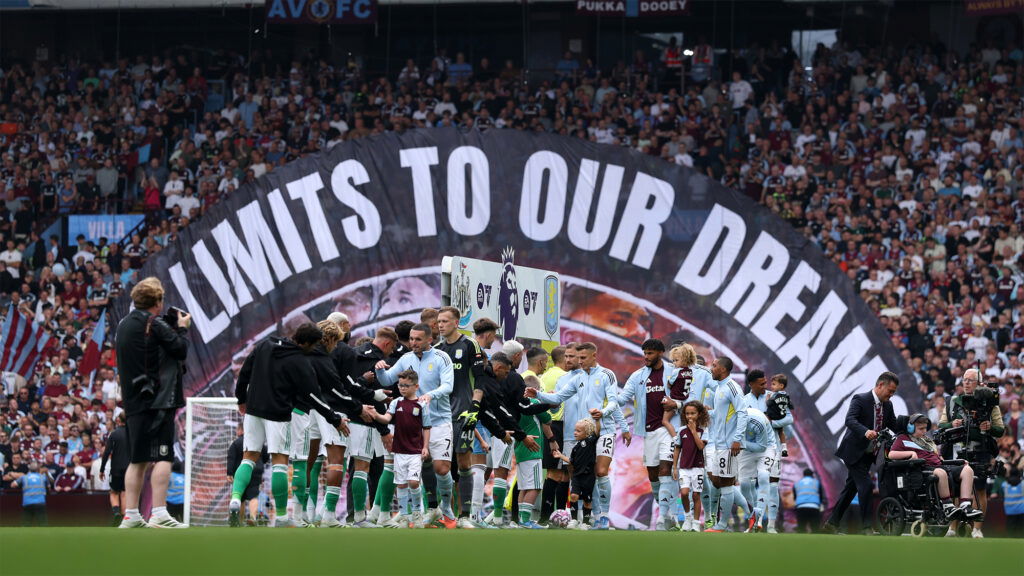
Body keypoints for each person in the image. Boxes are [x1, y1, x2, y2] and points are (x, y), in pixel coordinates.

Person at [230, 323, 347, 528]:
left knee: (248, 458)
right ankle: (284, 517)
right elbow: (313, 396)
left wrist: (241, 398)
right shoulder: (299, 361)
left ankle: (235, 498)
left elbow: (245, 372)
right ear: (309, 343)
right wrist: (334, 418)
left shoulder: (266, 344)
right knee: (281, 463)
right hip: (279, 414)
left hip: (253, 410)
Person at [114, 277, 191, 529]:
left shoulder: (123, 325)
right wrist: (181, 328)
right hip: (158, 400)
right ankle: (159, 512)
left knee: (138, 459)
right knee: (164, 456)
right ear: (157, 301)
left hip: (134, 400)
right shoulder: (154, 323)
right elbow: (180, 349)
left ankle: (131, 515)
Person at [527, 342, 627, 530]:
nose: (579, 362)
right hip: (583, 436)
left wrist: (603, 412)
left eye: (583, 358)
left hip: (604, 429)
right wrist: (538, 394)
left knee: (601, 472)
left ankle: (603, 516)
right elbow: (558, 398)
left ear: (594, 356)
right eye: (577, 358)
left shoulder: (606, 374)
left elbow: (614, 402)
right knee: (584, 475)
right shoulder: (576, 377)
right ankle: (586, 517)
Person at [375, 323, 456, 528]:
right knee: (411, 473)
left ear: (429, 339)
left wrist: (431, 394)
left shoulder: (441, 358)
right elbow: (386, 380)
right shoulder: (406, 359)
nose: (413, 343)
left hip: (440, 421)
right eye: (411, 339)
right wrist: (379, 370)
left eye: (418, 339)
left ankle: (445, 507)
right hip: (413, 426)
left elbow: (448, 385)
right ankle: (414, 513)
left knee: (441, 468)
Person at [823, 371, 899, 535]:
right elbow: (850, 419)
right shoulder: (860, 398)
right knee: (866, 486)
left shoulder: (888, 405)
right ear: (880, 385)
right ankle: (866, 527)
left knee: (850, 489)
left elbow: (894, 424)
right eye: (890, 391)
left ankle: (831, 523)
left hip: (868, 454)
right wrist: (865, 431)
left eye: (894, 392)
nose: (891, 395)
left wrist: (912, 429)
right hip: (852, 452)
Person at [306, 320, 365, 527]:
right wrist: (360, 408)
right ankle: (329, 515)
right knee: (336, 459)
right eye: (336, 341)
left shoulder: (304, 355)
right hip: (331, 409)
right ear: (330, 339)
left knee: (308, 459)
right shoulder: (325, 359)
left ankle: (304, 513)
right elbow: (337, 389)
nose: (336, 347)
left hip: (306, 409)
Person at [617, 338, 679, 530]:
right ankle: (667, 513)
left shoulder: (674, 373)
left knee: (664, 470)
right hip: (648, 430)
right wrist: (608, 403)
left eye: (650, 353)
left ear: (661, 353)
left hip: (669, 429)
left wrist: (676, 405)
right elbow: (623, 397)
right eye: (644, 353)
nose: (646, 357)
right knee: (653, 475)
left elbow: (686, 397)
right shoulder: (638, 376)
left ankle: (661, 518)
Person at [938, 368, 1006, 538]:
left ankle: (977, 529)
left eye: (970, 380)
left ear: (979, 383)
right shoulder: (952, 401)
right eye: (964, 380)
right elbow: (941, 425)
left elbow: (1000, 430)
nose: (967, 383)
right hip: (956, 450)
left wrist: (990, 427)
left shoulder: (991, 404)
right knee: (954, 488)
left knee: (980, 490)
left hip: (980, 449)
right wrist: (952, 424)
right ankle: (952, 528)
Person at [435, 305, 486, 528]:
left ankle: (466, 515)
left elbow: (480, 379)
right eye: (438, 322)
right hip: (440, 415)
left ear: (456, 323)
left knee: (464, 461)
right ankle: (444, 513)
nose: (440, 325)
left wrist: (475, 406)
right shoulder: (436, 349)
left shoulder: (469, 344)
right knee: (438, 464)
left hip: (463, 413)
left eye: (445, 321)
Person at [889, 413, 982, 522]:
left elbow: (939, 458)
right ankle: (947, 506)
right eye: (921, 429)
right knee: (940, 472)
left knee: (967, 470)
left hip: (940, 466)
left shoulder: (927, 440)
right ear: (911, 428)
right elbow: (891, 454)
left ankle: (965, 506)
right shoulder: (902, 439)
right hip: (923, 470)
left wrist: (958, 462)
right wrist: (910, 454)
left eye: (925, 428)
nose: (924, 431)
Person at [367, 369, 430, 528]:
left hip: (415, 451)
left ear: (416, 386)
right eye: (400, 385)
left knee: (413, 482)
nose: (402, 388)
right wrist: (375, 414)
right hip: (399, 451)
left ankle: (417, 513)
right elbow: (386, 419)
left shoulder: (422, 404)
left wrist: (425, 447)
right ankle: (404, 515)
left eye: (406, 385)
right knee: (401, 485)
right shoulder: (396, 403)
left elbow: (427, 427)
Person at [705, 356, 747, 533]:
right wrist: (710, 413)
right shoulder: (720, 388)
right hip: (719, 443)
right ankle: (749, 512)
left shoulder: (732, 387)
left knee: (726, 483)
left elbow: (742, 413)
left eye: (714, 366)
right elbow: (723, 415)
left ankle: (722, 525)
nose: (711, 368)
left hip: (730, 444)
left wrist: (737, 439)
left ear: (723, 369)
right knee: (715, 480)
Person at [513, 374, 554, 529]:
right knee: (535, 486)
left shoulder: (516, 404)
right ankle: (526, 520)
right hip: (534, 449)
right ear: (534, 390)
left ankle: (521, 520)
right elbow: (548, 420)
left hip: (520, 449)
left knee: (524, 487)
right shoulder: (534, 402)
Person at [539, 344, 573, 521]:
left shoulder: (545, 375)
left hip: (547, 426)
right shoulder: (566, 377)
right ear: (564, 359)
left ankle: (554, 515)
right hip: (558, 426)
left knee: (560, 472)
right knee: (558, 473)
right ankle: (549, 516)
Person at [552, 418, 598, 529]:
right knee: (573, 496)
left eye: (578, 431)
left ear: (587, 433)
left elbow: (597, 432)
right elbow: (572, 461)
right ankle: (573, 520)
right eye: (575, 430)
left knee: (587, 500)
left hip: (588, 476)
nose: (575, 433)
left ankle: (585, 523)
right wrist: (560, 456)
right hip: (577, 476)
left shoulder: (590, 441)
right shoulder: (576, 447)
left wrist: (598, 420)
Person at [739, 407, 779, 532]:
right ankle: (754, 515)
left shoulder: (757, 421)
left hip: (766, 448)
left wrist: (740, 443)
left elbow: (761, 447)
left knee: (763, 476)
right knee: (744, 484)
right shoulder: (729, 419)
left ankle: (759, 519)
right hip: (746, 450)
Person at [673, 400, 708, 532]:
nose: (690, 416)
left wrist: (693, 431)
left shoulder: (703, 430)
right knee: (684, 493)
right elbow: (677, 449)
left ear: (699, 414)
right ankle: (687, 518)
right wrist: (674, 467)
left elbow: (700, 446)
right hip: (684, 468)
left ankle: (696, 522)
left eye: (693, 413)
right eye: (687, 414)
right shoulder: (681, 431)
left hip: (698, 467)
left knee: (696, 496)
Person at [227, 423, 266, 526]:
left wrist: (229, 473)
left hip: (240, 474)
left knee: (241, 497)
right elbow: (265, 456)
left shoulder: (236, 443)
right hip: (256, 470)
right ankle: (253, 518)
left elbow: (231, 458)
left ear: (241, 430)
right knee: (254, 496)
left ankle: (239, 521)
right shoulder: (258, 441)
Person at [100, 413, 129, 525]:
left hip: (116, 468)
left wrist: (102, 470)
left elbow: (106, 452)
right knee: (124, 493)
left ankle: (116, 512)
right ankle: (124, 517)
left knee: (114, 492)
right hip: (129, 468)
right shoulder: (131, 434)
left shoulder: (114, 434)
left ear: (118, 420)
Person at [13, 460, 49, 526]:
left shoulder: (24, 477)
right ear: (38, 469)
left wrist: (13, 475)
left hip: (27, 502)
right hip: (40, 502)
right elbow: (49, 487)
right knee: (42, 524)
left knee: (26, 524)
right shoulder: (43, 477)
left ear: (29, 469)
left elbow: (13, 485)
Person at [793, 469, 825, 533]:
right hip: (814, 507)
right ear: (812, 475)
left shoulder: (797, 483)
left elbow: (795, 497)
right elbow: (821, 495)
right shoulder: (816, 482)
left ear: (803, 474)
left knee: (801, 528)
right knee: (815, 529)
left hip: (801, 507)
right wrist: (820, 504)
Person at [1000, 470, 1023, 538]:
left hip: (1009, 510)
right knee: (1021, 527)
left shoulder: (1005, 484)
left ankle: (1010, 538)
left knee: (1010, 527)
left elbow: (1002, 492)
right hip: (1021, 509)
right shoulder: (1022, 484)